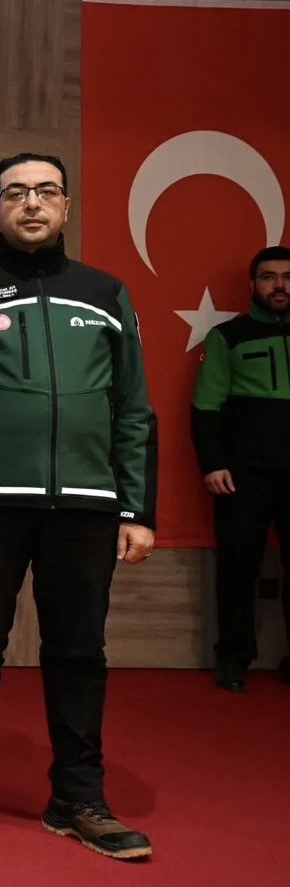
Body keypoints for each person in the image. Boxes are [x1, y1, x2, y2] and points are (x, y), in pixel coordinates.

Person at [0, 153, 156, 860]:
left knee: (79, 653)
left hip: (87, 507)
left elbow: (133, 408)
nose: (31, 203)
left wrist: (137, 509)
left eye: (46, 191)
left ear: (66, 206)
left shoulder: (106, 293)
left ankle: (78, 797)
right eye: (15, 193)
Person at [191, 245, 290, 691]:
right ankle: (233, 658)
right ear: (253, 285)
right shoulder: (228, 336)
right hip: (244, 475)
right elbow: (206, 406)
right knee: (237, 569)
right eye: (269, 277)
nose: (279, 285)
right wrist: (212, 463)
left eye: (287, 277)